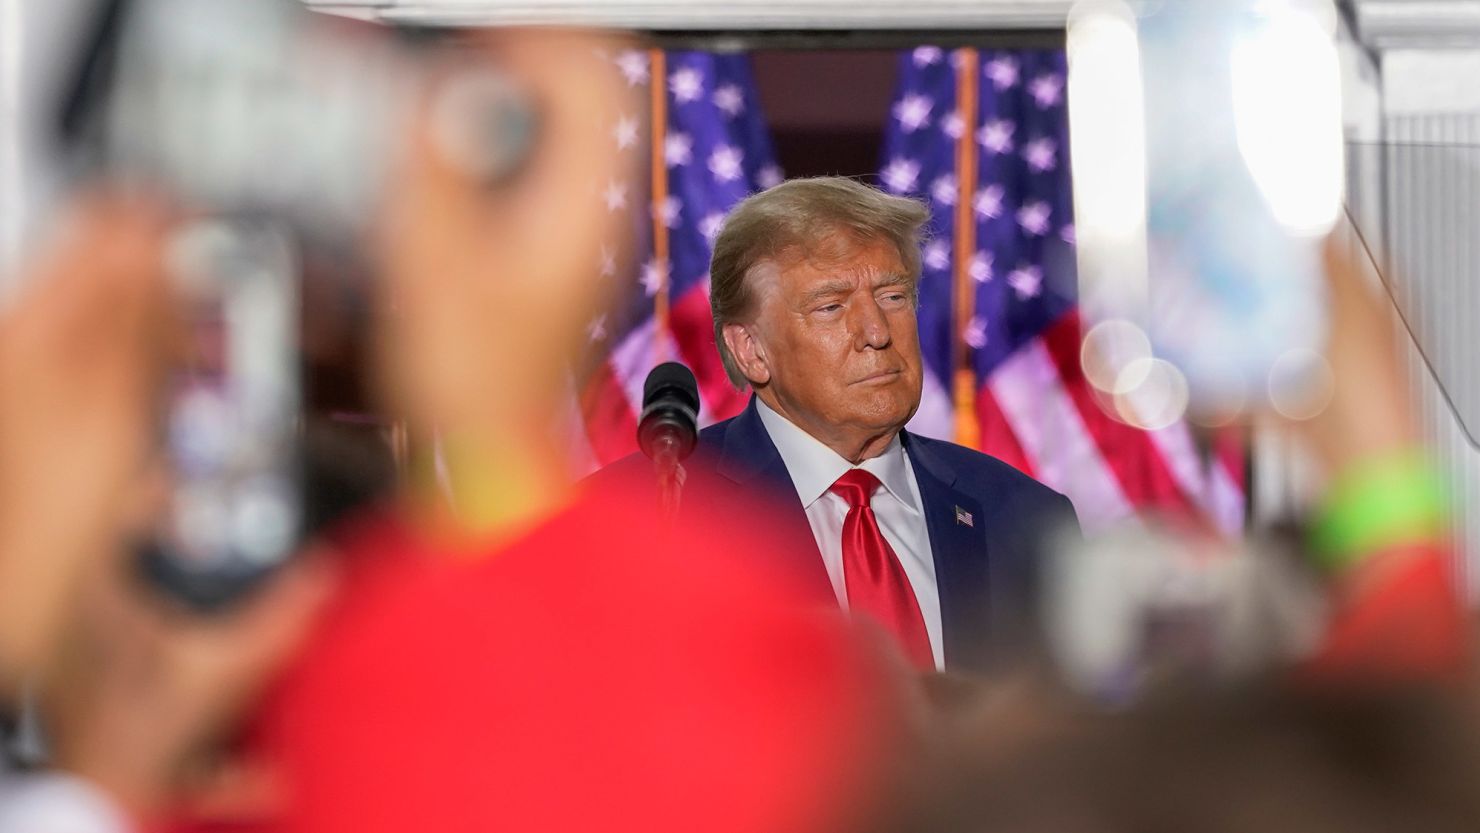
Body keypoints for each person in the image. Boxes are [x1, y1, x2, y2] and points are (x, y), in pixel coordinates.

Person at [593, 177, 1080, 674]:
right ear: (751, 350)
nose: (876, 333)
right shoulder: (648, 514)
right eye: (831, 306)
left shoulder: (1024, 519)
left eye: (893, 297)